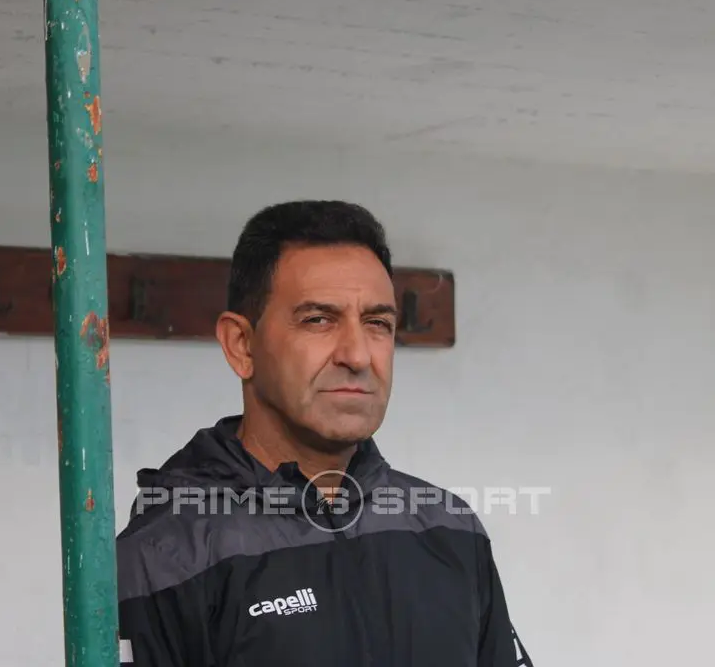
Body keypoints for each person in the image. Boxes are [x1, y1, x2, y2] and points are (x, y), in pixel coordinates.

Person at [116, 200, 532, 666]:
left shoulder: (449, 529)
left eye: (377, 324)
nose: (357, 355)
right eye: (318, 320)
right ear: (242, 345)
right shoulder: (167, 555)